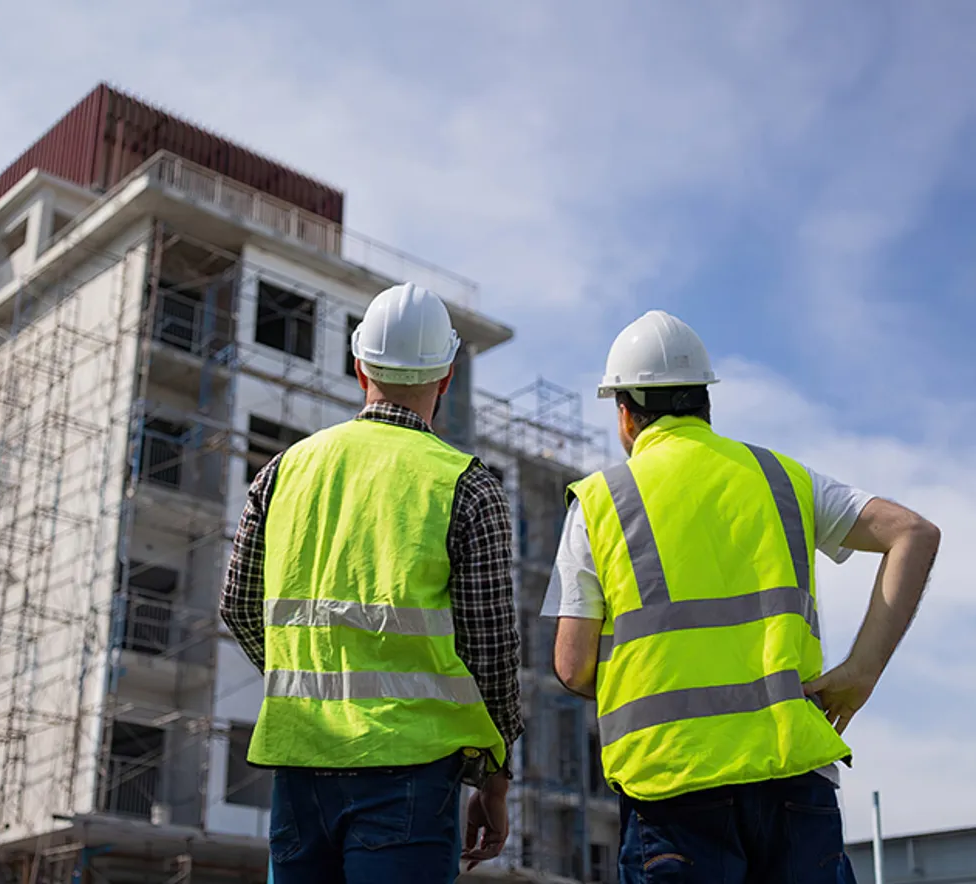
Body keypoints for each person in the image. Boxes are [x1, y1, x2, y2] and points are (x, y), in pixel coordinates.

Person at [541, 310, 940, 884]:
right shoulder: (780, 477)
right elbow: (914, 533)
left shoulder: (600, 501)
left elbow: (573, 666)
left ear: (624, 413)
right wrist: (862, 672)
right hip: (794, 779)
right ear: (706, 402)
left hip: (673, 787)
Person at [220, 282, 523, 884]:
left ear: (359, 367)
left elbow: (238, 605)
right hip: (412, 771)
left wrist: (305, 680)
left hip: (301, 762)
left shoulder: (284, 471)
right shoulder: (467, 484)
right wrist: (493, 777)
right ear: (447, 376)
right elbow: (491, 654)